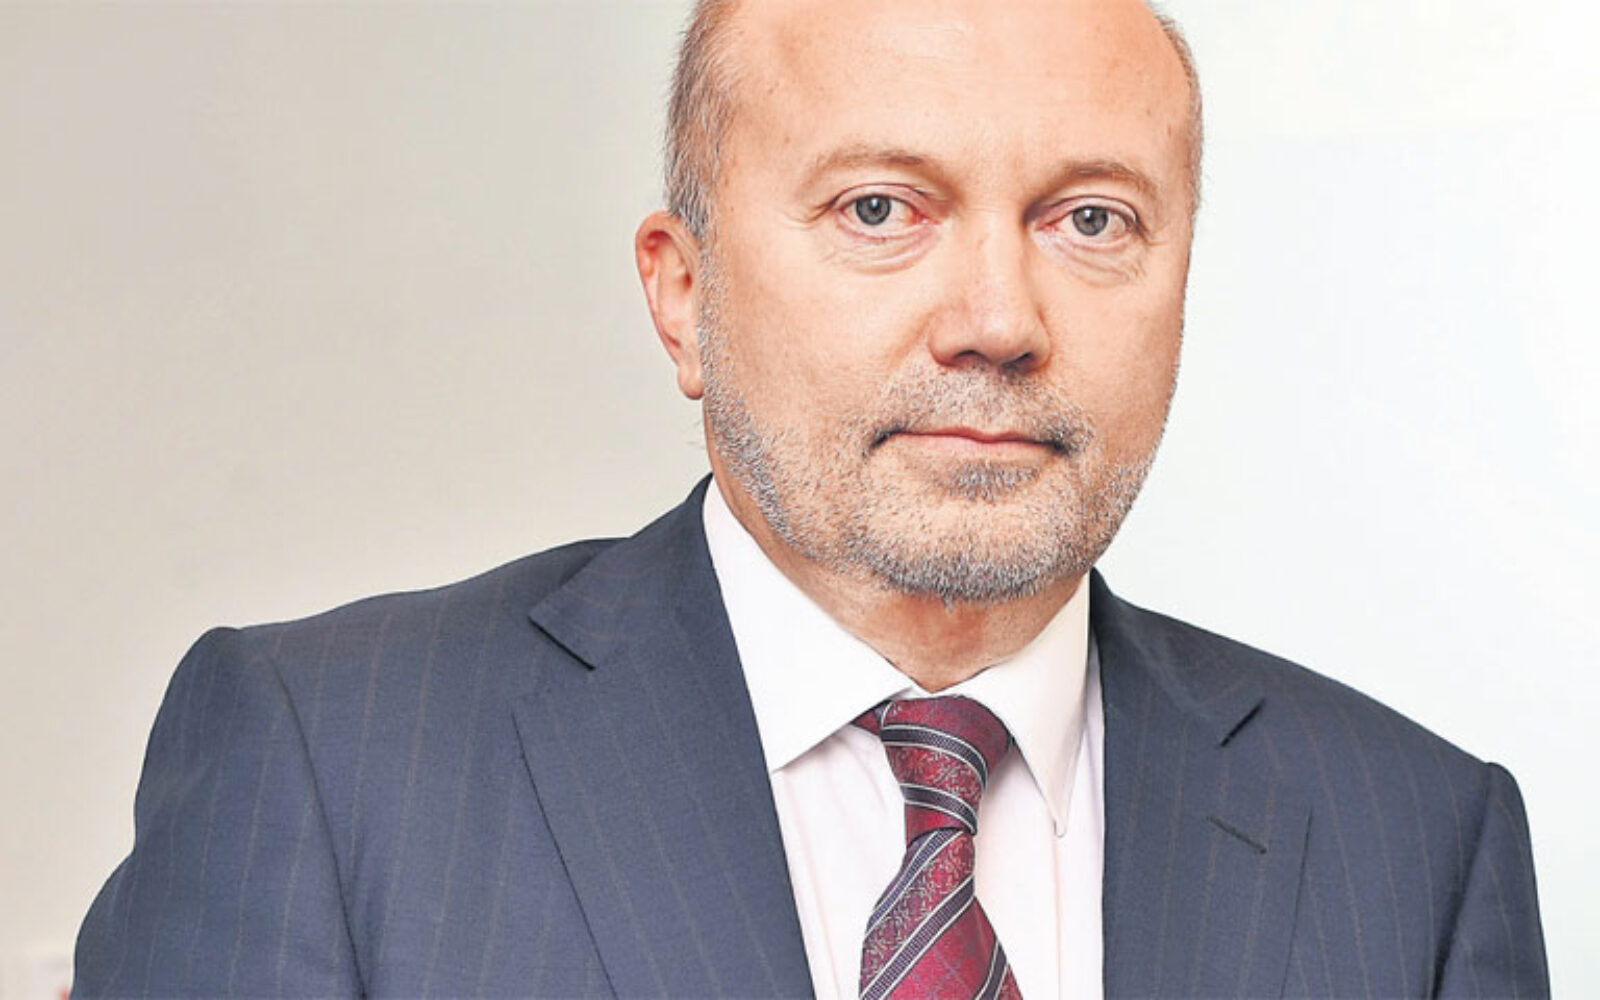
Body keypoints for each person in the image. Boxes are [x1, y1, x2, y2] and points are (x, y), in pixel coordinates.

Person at [74, 0, 1548, 996]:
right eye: (880, 208)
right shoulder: (331, 767)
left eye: (1091, 219)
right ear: (685, 295)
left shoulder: (1418, 846)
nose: (997, 319)